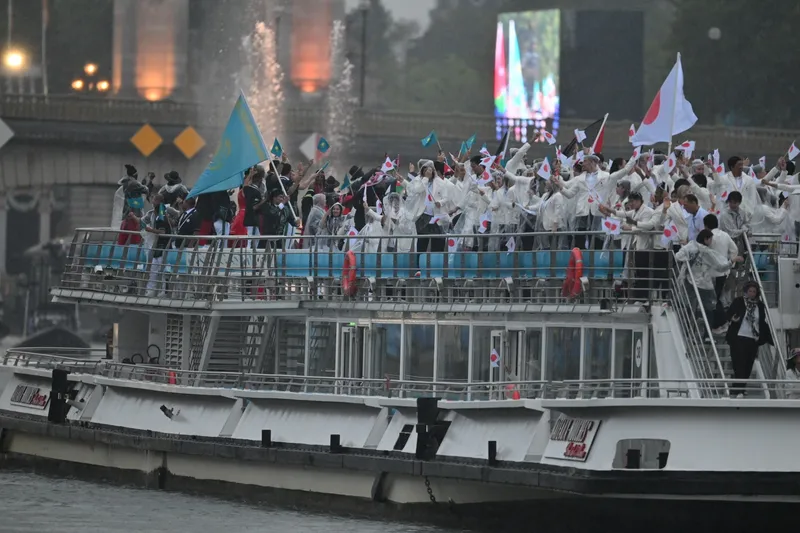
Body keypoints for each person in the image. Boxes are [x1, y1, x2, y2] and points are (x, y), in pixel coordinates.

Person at [675, 229, 736, 323]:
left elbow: (678, 256)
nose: (711, 242)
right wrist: (731, 261)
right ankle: (707, 334)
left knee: (690, 305)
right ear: (706, 239)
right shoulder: (707, 253)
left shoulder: (690, 245)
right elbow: (720, 267)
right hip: (702, 283)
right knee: (708, 308)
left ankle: (688, 327)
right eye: (711, 239)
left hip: (687, 280)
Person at [725, 282, 773, 397]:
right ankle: (739, 389)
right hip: (739, 336)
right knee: (738, 363)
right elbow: (729, 314)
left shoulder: (760, 305)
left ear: (757, 293)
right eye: (750, 291)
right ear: (746, 291)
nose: (752, 293)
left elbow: (761, 321)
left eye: (754, 292)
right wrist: (733, 319)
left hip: (752, 338)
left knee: (748, 364)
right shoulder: (739, 301)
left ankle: (741, 387)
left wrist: (765, 336)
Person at [703, 214, 741, 333]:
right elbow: (734, 249)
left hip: (710, 272)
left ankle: (722, 321)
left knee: (713, 299)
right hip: (723, 272)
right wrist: (730, 263)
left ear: (706, 225)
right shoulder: (725, 235)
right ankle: (718, 324)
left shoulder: (707, 236)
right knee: (716, 297)